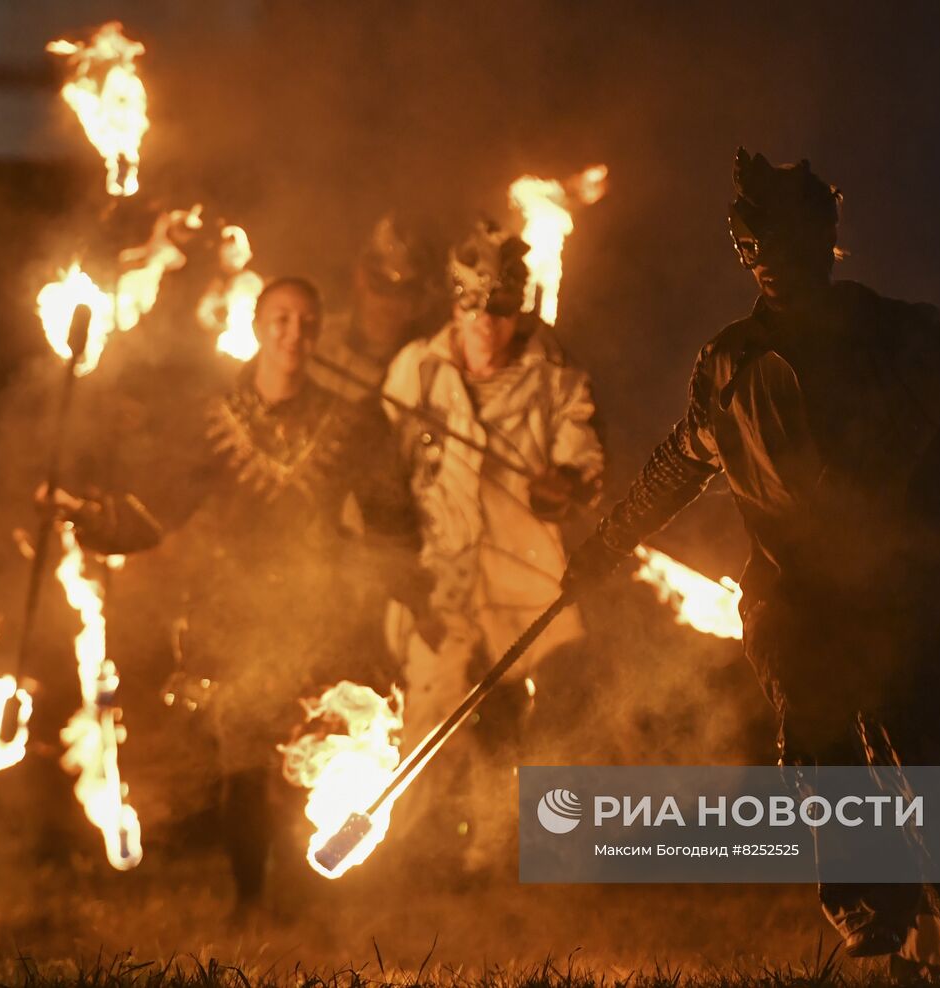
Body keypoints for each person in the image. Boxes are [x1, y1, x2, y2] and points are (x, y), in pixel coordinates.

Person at [562, 150, 940, 976]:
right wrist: (603, 549)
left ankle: (934, 898)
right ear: (742, 251)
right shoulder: (726, 366)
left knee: (927, 758)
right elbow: (679, 464)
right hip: (794, 603)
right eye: (755, 248)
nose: (771, 263)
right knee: (819, 736)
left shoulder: (903, 340)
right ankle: (870, 909)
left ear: (826, 240)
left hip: (906, 594)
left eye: (788, 244)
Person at [41, 276, 421, 917]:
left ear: (319, 332)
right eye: (280, 319)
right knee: (244, 761)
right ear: (256, 325)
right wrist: (93, 519)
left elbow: (392, 520)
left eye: (305, 322)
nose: (293, 334)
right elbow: (161, 510)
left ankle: (313, 888)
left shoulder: (351, 421)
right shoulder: (213, 420)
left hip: (320, 609)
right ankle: (251, 898)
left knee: (318, 756)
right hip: (236, 610)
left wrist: (407, 579)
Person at [382, 219, 604, 867]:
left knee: (511, 720)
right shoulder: (416, 371)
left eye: (500, 306)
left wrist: (560, 484)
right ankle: (401, 855)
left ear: (519, 307)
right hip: (437, 574)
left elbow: (582, 460)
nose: (486, 321)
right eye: (471, 304)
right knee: (426, 714)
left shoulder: (557, 379)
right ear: (454, 303)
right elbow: (385, 473)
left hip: (521, 579)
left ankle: (500, 853)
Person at [309, 213, 442, 403]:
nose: (390, 303)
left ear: (422, 304)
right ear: (360, 277)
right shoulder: (313, 341)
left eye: (408, 292)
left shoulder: (421, 375)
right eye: (380, 285)